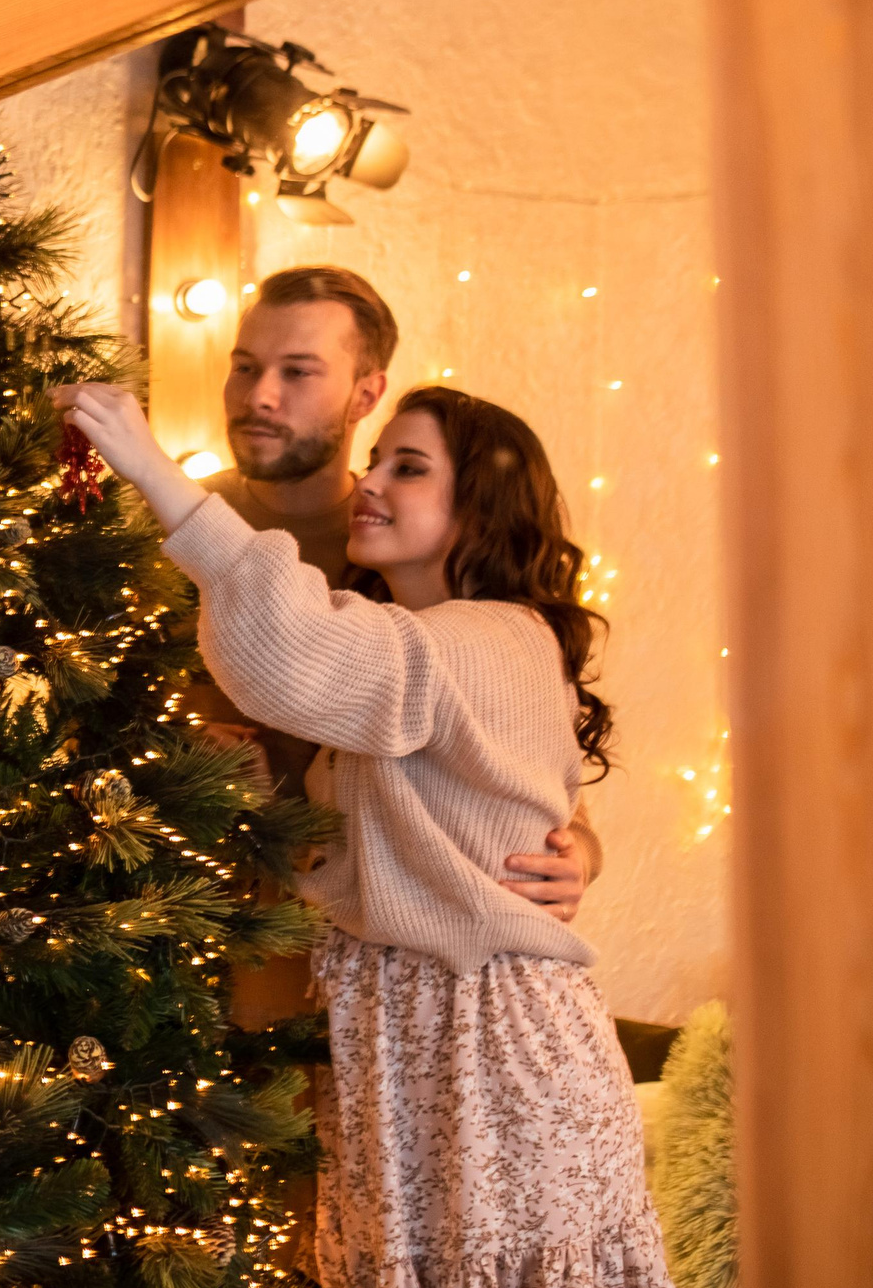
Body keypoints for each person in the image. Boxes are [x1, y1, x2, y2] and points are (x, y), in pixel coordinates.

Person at [56, 376, 680, 1288]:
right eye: (376, 459)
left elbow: (296, 644)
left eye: (409, 466)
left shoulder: (485, 638)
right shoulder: (423, 656)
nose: (371, 482)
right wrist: (268, 782)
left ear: (478, 508)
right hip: (415, 1047)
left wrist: (150, 471)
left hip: (490, 1057)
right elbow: (392, 842)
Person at [192, 269, 596, 1030]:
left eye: (298, 371)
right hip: (144, 957)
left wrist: (576, 858)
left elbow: (523, 778)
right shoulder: (172, 532)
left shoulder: (407, 552)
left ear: (365, 392)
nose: (259, 395)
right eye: (244, 365)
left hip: (329, 990)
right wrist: (171, 760)